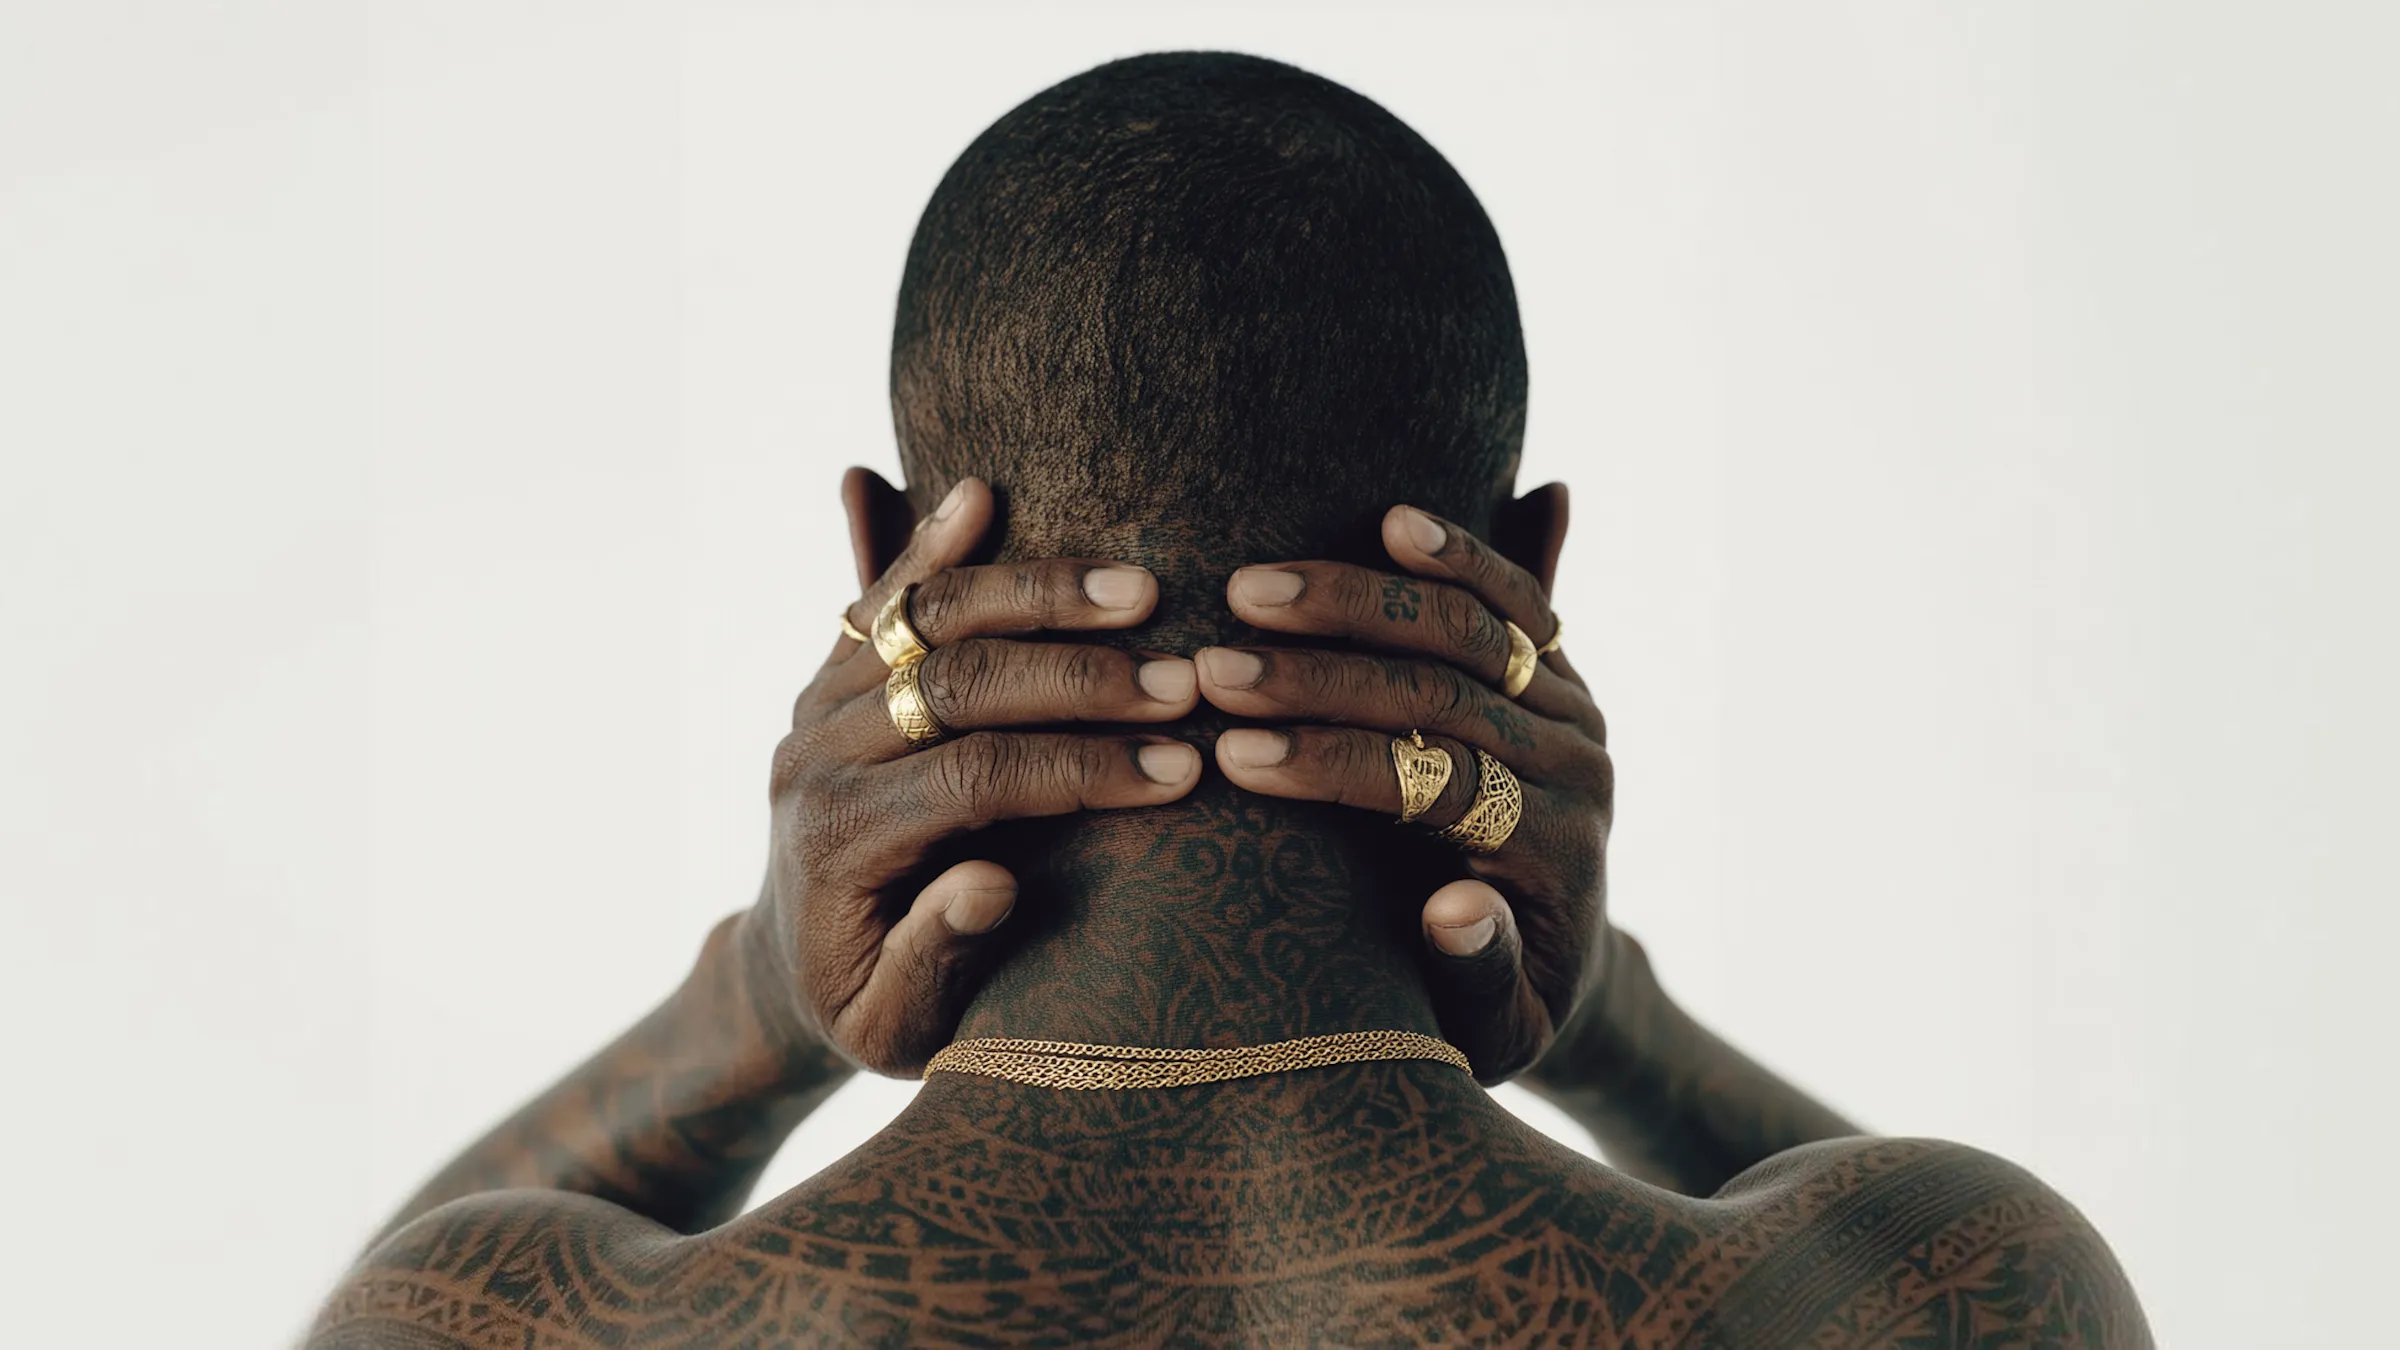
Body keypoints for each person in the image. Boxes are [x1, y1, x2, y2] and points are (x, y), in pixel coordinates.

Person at [310, 52, 2149, 1348]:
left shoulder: (492, 1322)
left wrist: (761, 1004)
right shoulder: (1950, 1285)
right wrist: (1607, 1020)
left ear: (878, 558)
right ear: (1527, 568)